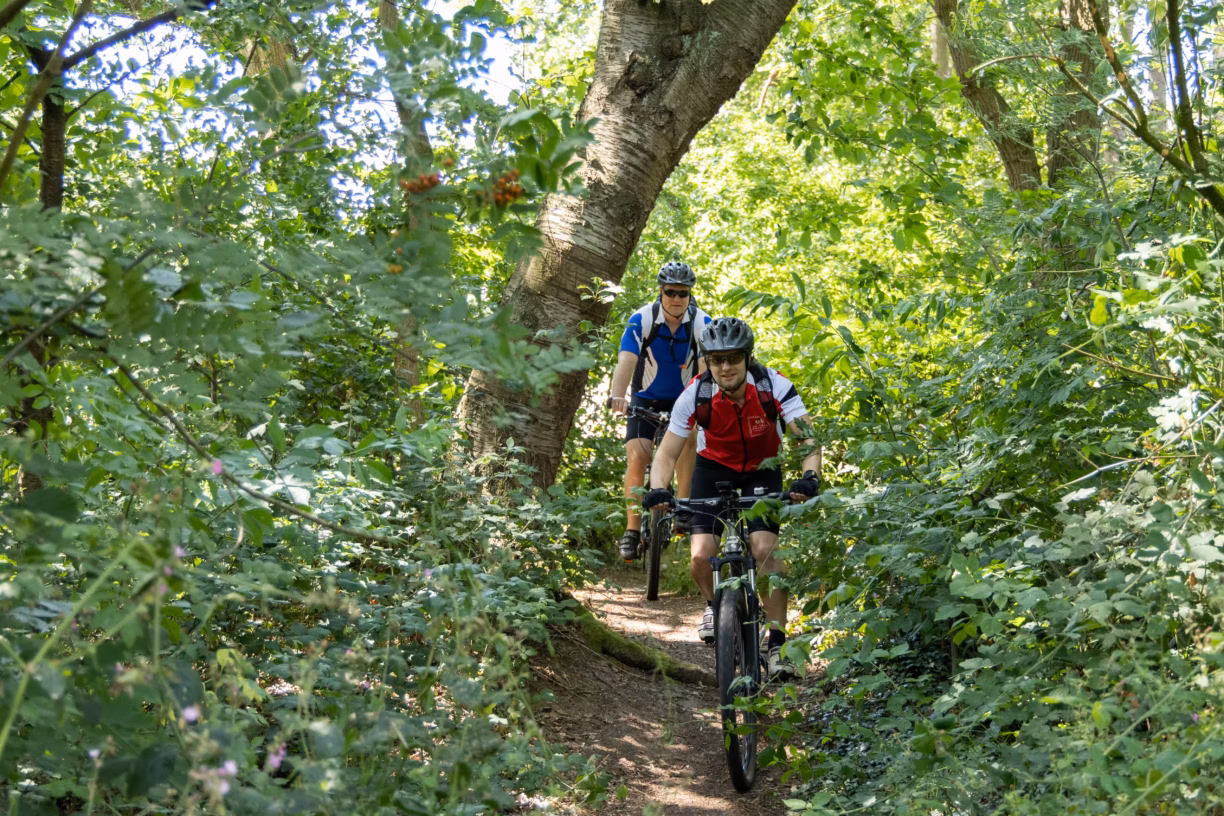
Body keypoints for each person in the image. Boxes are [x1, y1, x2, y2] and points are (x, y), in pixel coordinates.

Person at [641, 317, 821, 680]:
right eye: (716, 359)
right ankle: (713, 605)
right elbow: (666, 453)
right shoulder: (696, 393)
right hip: (714, 468)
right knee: (700, 555)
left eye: (733, 358)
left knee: (764, 550)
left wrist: (810, 477)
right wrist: (659, 488)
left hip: (762, 467)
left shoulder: (774, 386)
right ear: (707, 360)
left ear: (747, 358)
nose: (725, 367)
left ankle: (777, 645)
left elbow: (808, 440)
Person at [608, 261, 711, 561]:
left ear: (690, 294)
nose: (677, 299)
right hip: (644, 399)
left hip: (683, 401)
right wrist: (617, 395)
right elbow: (626, 359)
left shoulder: (701, 323)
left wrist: (704, 404)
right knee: (638, 455)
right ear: (660, 292)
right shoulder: (642, 319)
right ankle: (631, 530)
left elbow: (706, 369)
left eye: (683, 293)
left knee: (689, 439)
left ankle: (684, 504)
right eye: (670, 292)